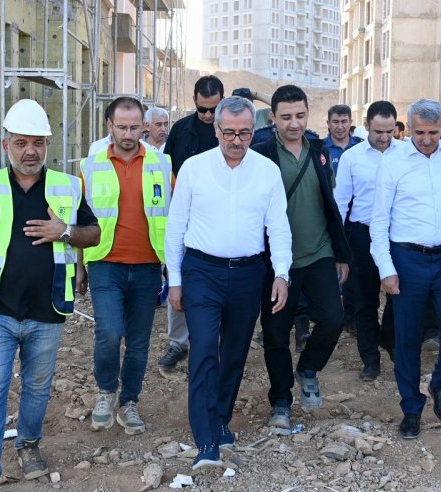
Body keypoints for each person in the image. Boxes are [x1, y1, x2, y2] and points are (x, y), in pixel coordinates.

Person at [0, 99, 101, 492]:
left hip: (47, 308)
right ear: (6, 145)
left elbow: (94, 234)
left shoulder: (66, 187)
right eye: (21, 143)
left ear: (47, 145)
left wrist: (64, 230)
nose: (30, 151)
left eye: (38, 142)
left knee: (37, 386)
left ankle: (29, 445)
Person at [165, 95, 291, 470]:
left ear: (255, 130)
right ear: (217, 129)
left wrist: (281, 273)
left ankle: (220, 419)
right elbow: (176, 226)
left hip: (249, 273)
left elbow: (278, 227)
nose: (237, 141)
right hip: (201, 271)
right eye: (230, 133)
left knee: (234, 352)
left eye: (245, 133)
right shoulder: (194, 169)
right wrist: (175, 280)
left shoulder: (267, 171)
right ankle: (206, 440)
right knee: (204, 348)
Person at [371, 99, 441, 438]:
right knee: (407, 338)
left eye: (434, 133)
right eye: (420, 133)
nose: (427, 139)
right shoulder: (392, 163)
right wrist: (386, 268)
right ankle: (411, 408)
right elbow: (379, 221)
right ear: (409, 129)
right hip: (407, 259)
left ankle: (440, 384)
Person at [251, 86, 351, 429]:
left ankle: (308, 368)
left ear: (308, 114)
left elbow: (330, 203)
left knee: (333, 319)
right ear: (273, 118)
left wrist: (340, 253)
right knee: (276, 334)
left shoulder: (318, 149)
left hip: (319, 252)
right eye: (286, 117)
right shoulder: (261, 153)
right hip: (276, 262)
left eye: (300, 115)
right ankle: (281, 400)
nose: (294, 124)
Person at [80, 97, 174, 436]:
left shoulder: (161, 164)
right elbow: (79, 220)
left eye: (135, 127)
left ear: (144, 126)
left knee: (138, 342)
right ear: (109, 126)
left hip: (148, 265)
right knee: (108, 332)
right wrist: (79, 267)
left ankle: (129, 401)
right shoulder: (90, 166)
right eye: (122, 127)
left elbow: (175, 214)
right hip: (105, 263)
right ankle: (106, 391)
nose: (129, 134)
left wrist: (173, 266)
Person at [157, 76, 225, 371]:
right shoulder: (180, 130)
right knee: (177, 276)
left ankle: (212, 345)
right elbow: (168, 174)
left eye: (214, 109)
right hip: (184, 218)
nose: (208, 116)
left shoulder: (230, 132)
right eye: (203, 109)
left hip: (219, 220)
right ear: (194, 102)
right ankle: (178, 343)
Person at [333, 100, 403, 381]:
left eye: (389, 131)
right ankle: (370, 359)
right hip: (362, 236)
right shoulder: (352, 158)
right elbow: (340, 203)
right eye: (378, 132)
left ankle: (390, 340)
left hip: (397, 236)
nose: (384, 138)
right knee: (364, 300)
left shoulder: (407, 154)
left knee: (398, 296)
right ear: (366, 127)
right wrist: (339, 245)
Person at [323, 104, 363, 175]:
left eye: (344, 121)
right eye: (335, 122)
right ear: (328, 123)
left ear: (350, 122)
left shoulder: (361, 146)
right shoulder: (319, 148)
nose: (340, 127)